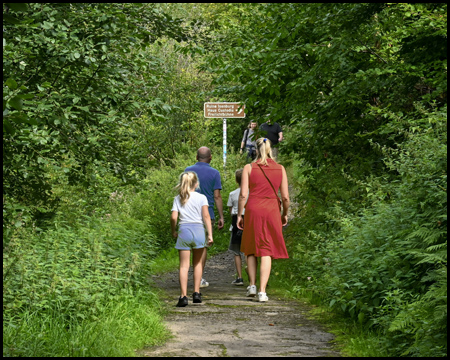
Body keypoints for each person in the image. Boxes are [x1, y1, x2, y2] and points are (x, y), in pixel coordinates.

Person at [237, 137, 290, 303]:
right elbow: (286, 197)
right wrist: (285, 214)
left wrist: (240, 215)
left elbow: (243, 194)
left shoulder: (249, 168)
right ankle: (262, 292)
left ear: (255, 150)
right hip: (272, 210)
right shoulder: (280, 169)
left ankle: (252, 285)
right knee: (266, 249)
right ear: (270, 149)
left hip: (253, 209)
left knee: (251, 247)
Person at [171, 171, 213, 307]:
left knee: (184, 266)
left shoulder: (178, 198)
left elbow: (173, 217)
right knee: (198, 264)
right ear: (196, 184)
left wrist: (173, 230)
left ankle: (183, 296)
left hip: (184, 231)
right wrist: (210, 234)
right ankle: (196, 293)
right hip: (199, 231)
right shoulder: (202, 198)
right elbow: (206, 216)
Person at [185, 147, 224, 288]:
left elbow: (183, 191)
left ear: (196, 157)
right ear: (210, 157)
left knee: (188, 245)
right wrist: (221, 216)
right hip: (207, 214)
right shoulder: (215, 173)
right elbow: (217, 196)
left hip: (188, 214)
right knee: (202, 246)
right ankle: (199, 277)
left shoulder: (188, 171)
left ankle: (188, 274)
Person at [227, 169, 246, 286]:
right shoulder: (252, 192)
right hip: (249, 220)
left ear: (236, 180)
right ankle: (252, 277)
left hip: (236, 222)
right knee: (250, 252)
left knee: (236, 251)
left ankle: (239, 277)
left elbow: (230, 210)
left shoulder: (232, 194)